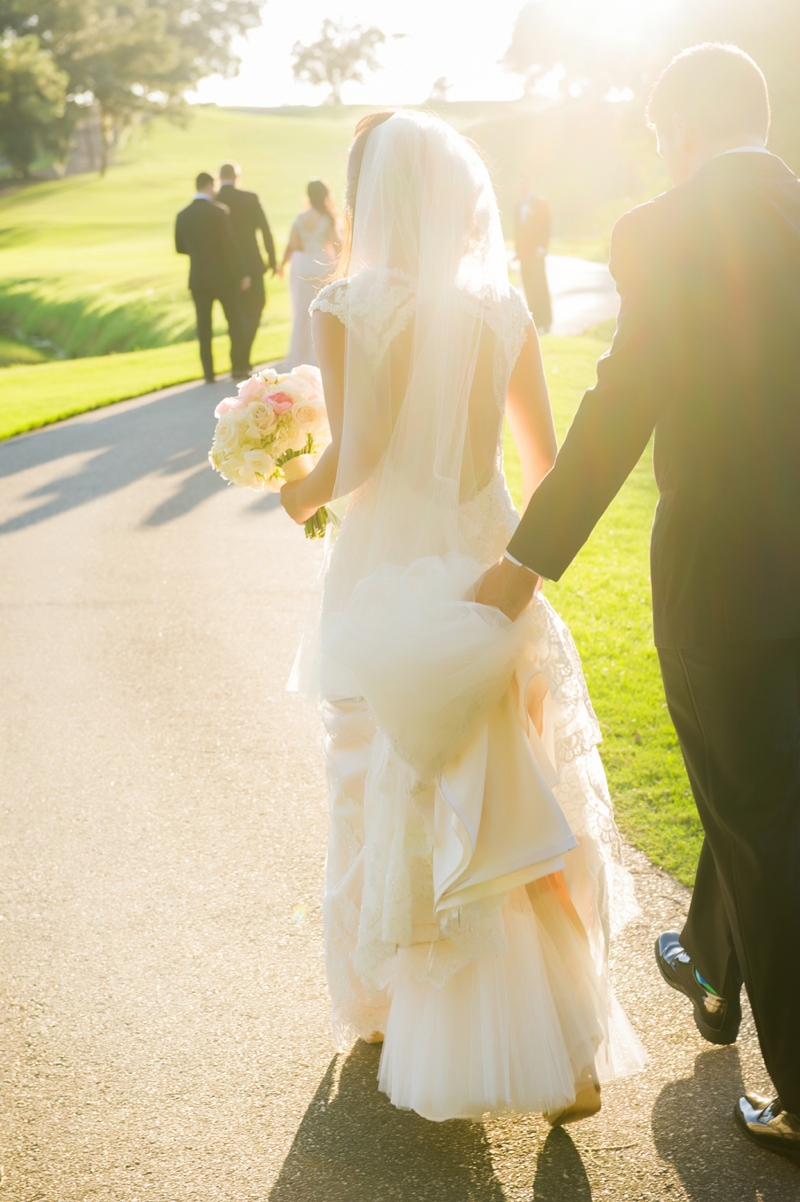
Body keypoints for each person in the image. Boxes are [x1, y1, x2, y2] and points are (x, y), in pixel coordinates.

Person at [280, 110, 644, 1123]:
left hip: (385, 572)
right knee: (513, 798)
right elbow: (542, 468)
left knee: (386, 791)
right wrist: (503, 562)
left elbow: (354, 458)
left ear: (374, 200)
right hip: (489, 573)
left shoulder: (349, 303)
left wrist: (292, 490)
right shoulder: (502, 313)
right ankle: (565, 1041)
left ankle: (400, 1003)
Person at [477, 44, 800, 1163]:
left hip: (724, 575)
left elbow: (624, 398)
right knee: (762, 786)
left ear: (679, 125)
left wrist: (527, 554)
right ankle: (710, 964)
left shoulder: (662, 227)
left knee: (757, 811)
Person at [175, 172, 251, 384]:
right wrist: (242, 273)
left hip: (198, 279)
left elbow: (180, 247)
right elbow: (230, 246)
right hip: (224, 278)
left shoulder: (183, 215)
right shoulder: (219, 212)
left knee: (204, 327)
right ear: (209, 185)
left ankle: (208, 373)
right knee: (234, 322)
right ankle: (237, 367)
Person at [217, 161, 277, 372]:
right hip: (252, 264)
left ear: (219, 177)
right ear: (237, 176)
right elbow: (266, 230)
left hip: (225, 269)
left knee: (235, 314)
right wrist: (272, 259)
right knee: (256, 306)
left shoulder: (214, 200)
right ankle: (242, 358)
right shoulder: (250, 198)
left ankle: (238, 360)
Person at [280, 179, 340, 370]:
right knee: (324, 313)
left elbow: (294, 244)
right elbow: (338, 243)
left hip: (306, 266)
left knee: (304, 313)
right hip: (323, 265)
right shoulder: (327, 218)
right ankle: (323, 357)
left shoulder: (300, 218)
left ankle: (302, 358)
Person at [515, 182, 553, 331]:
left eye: (524, 184)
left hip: (537, 253)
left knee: (540, 285)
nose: (521, 188)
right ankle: (534, 322)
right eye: (519, 185)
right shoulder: (517, 206)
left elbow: (546, 225)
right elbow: (518, 231)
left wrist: (542, 247)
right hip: (524, 255)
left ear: (529, 186)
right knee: (528, 286)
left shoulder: (540, 203)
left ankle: (546, 320)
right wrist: (518, 251)